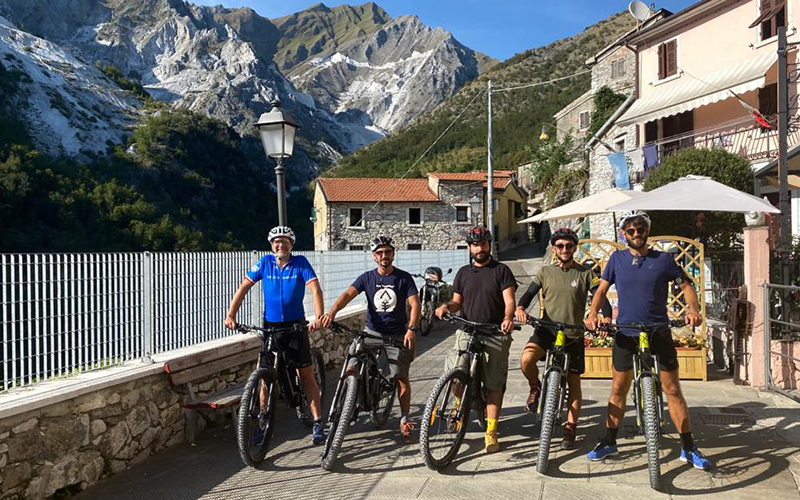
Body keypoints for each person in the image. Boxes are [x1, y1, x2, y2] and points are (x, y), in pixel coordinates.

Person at [584, 210, 711, 470]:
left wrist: (693, 309)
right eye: (631, 230)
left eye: (640, 229)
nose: (636, 233)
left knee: (673, 389)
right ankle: (609, 441)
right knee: (618, 388)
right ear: (624, 234)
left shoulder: (663, 260)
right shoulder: (616, 260)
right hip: (626, 333)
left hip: (658, 331)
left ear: (647, 231)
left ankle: (688, 447)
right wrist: (593, 314)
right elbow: (601, 289)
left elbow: (686, 285)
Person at [224, 226, 326, 445]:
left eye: (285, 241)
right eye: (276, 242)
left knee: (305, 374)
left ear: (292, 244)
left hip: (295, 326)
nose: (281, 245)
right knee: (264, 378)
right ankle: (262, 422)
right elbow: (243, 288)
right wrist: (231, 315)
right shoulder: (264, 263)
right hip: (271, 326)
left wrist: (318, 316)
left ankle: (318, 421)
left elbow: (315, 289)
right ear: (271, 245)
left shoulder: (300, 263)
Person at [515, 227, 610, 450]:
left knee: (573, 383)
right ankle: (535, 387)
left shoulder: (585, 272)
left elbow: (600, 295)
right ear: (554, 248)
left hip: (573, 333)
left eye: (569, 245)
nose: (564, 249)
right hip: (546, 330)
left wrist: (605, 316)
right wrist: (520, 308)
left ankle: (570, 426)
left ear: (575, 248)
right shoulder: (545, 271)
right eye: (560, 246)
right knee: (526, 360)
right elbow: (528, 294)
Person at [320, 236, 421, 443]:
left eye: (388, 252)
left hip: (396, 335)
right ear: (374, 256)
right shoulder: (367, 278)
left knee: (401, 378)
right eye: (380, 252)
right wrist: (331, 313)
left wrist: (411, 329)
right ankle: (351, 395)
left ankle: (404, 419)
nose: (384, 256)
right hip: (372, 332)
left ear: (393, 253)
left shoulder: (404, 278)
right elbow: (348, 295)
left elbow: (415, 304)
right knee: (352, 355)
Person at [435, 226, 516, 454]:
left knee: (493, 385)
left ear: (489, 245)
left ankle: (491, 430)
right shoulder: (463, 272)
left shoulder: (501, 271)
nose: (479, 248)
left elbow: (509, 300)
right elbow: (456, 302)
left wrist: (508, 318)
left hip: (494, 333)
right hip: (467, 330)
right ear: (469, 247)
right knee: (456, 372)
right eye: (475, 244)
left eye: (483, 244)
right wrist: (445, 307)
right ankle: (456, 407)